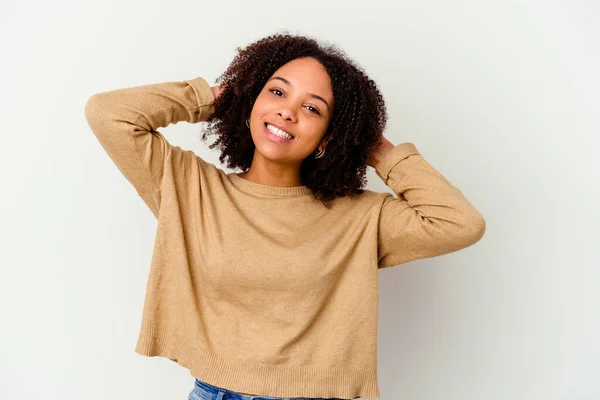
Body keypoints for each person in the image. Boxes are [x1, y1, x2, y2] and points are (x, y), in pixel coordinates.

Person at [84, 32, 486, 400]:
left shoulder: (361, 217)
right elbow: (109, 114)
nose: (287, 112)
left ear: (330, 136)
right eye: (276, 92)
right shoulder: (191, 190)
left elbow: (458, 223)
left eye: (312, 108)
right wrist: (222, 96)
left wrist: (376, 148)